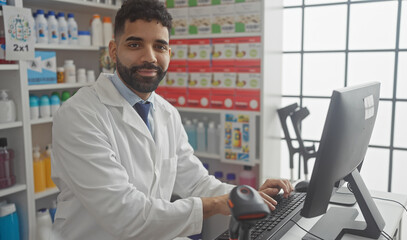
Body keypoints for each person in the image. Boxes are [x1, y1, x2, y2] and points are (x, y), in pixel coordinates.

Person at [51, 0, 293, 239]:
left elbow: (196, 182)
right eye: (135, 45)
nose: (150, 57)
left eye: (159, 46)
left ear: (169, 53)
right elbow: (124, 215)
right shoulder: (79, 115)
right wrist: (219, 203)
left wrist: (245, 195)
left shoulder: (166, 112)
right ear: (114, 50)